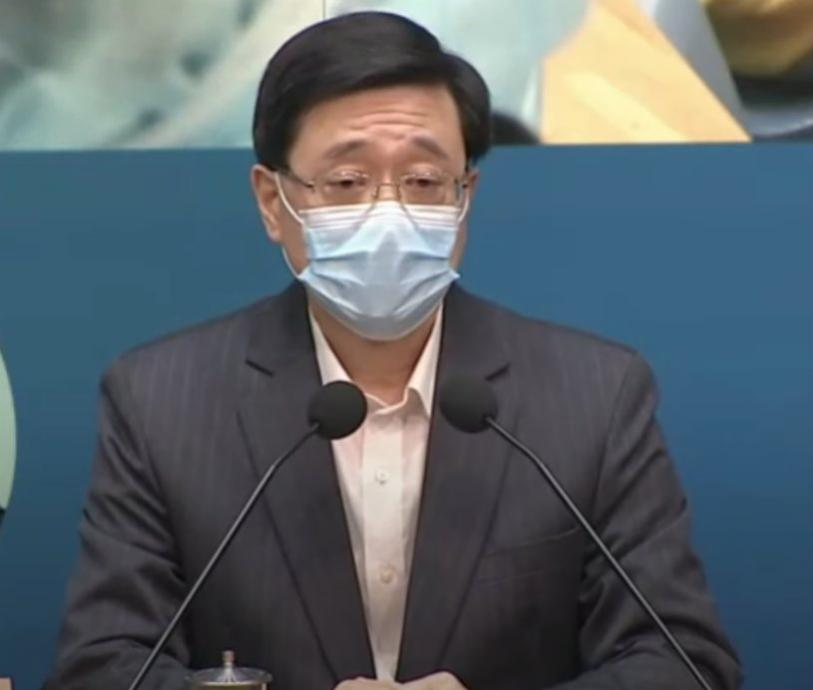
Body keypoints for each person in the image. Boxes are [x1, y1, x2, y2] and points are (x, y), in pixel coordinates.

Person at [46, 12, 742, 690]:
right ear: (272, 201)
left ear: (465, 198)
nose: (388, 213)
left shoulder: (595, 395)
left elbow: (681, 660)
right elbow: (103, 666)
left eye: (423, 181)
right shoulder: (161, 401)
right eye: (347, 182)